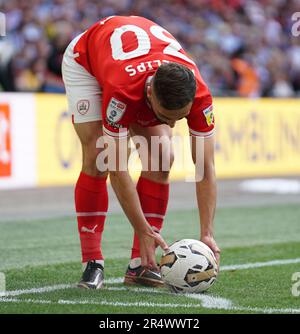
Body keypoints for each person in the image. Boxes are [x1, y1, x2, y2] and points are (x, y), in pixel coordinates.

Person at [61, 15, 220, 289]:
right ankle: (92, 263)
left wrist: (207, 232)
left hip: (129, 65)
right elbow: (117, 167)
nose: (170, 124)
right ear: (150, 95)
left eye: (178, 118)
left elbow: (204, 167)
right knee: (97, 156)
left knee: (161, 158)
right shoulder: (123, 94)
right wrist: (141, 227)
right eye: (164, 116)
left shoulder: (201, 96)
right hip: (86, 60)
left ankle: (140, 266)